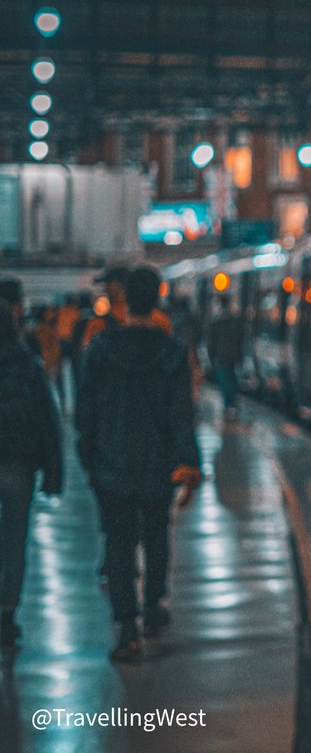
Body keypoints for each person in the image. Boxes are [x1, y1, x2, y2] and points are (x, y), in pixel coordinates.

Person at [76, 266, 201, 661]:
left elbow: (86, 411)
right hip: (158, 462)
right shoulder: (173, 352)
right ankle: (152, 607)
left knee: (118, 543)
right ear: (158, 299)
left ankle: (126, 627)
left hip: (111, 460)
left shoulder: (100, 348)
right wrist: (188, 463)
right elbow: (182, 414)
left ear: (124, 300)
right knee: (156, 533)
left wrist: (89, 457)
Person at [0, 298, 63, 647]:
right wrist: (54, 475)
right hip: (18, 465)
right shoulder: (29, 364)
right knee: (14, 539)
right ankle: (7, 612)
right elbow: (46, 423)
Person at [207, 296, 245, 416]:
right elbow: (241, 339)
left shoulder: (216, 320)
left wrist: (211, 356)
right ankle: (232, 403)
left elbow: (211, 341)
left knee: (224, 381)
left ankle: (228, 404)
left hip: (220, 357)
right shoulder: (236, 320)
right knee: (232, 379)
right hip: (233, 356)